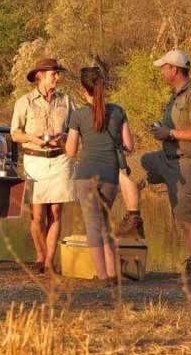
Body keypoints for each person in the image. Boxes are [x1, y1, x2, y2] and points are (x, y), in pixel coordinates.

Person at [141, 49, 191, 283]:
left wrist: (170, 133)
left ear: (174, 69)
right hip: (167, 158)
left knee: (190, 215)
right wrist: (160, 129)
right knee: (134, 165)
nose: (161, 71)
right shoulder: (175, 97)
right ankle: (132, 217)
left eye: (164, 67)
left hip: (189, 162)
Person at [65, 67, 135, 285]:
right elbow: (129, 145)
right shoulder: (118, 112)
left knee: (92, 225)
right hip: (110, 175)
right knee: (105, 222)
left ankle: (103, 276)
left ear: (82, 90)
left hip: (86, 174)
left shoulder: (78, 115)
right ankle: (113, 274)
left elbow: (71, 151)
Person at [10, 58, 75, 275]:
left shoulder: (66, 100)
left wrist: (64, 137)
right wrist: (33, 139)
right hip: (34, 160)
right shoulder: (25, 102)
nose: (57, 77)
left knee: (55, 211)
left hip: (60, 159)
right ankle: (40, 255)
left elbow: (75, 129)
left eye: (57, 73)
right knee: (37, 215)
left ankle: (49, 261)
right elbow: (15, 133)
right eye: (53, 73)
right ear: (40, 76)